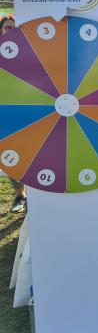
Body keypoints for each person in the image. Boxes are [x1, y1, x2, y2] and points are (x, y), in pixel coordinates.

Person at [1, 14, 26, 213]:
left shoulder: (28, 50)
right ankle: (20, 195)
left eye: (15, 28)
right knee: (9, 155)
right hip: (5, 112)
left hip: (29, 110)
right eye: (8, 28)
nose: (12, 31)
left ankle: (38, 193)